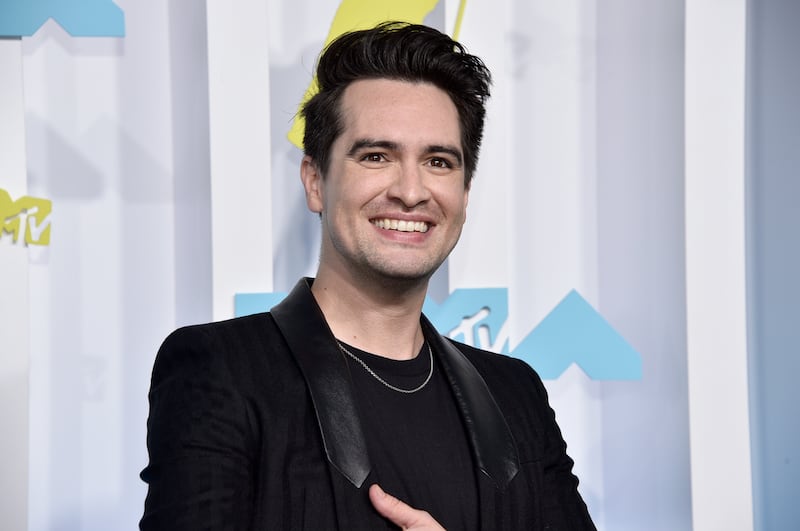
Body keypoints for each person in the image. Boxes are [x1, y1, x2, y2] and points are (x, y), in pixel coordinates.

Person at [140, 21, 596, 530]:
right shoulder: (222, 370)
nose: (410, 190)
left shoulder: (515, 395)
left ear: (464, 196)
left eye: (439, 161)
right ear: (315, 181)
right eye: (377, 156)